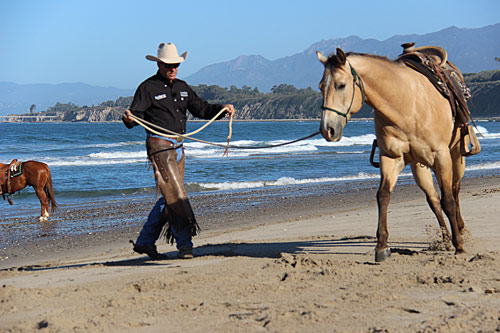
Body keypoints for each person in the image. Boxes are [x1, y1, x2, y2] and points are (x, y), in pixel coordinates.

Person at [122, 42, 235, 259]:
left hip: (179, 146)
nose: (172, 68)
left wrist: (222, 109)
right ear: (159, 64)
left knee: (168, 197)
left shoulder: (183, 87)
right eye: (168, 65)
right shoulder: (147, 88)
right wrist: (128, 118)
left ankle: (145, 241)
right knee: (177, 195)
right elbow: (133, 117)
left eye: (175, 64)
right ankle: (185, 245)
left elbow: (201, 108)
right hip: (159, 146)